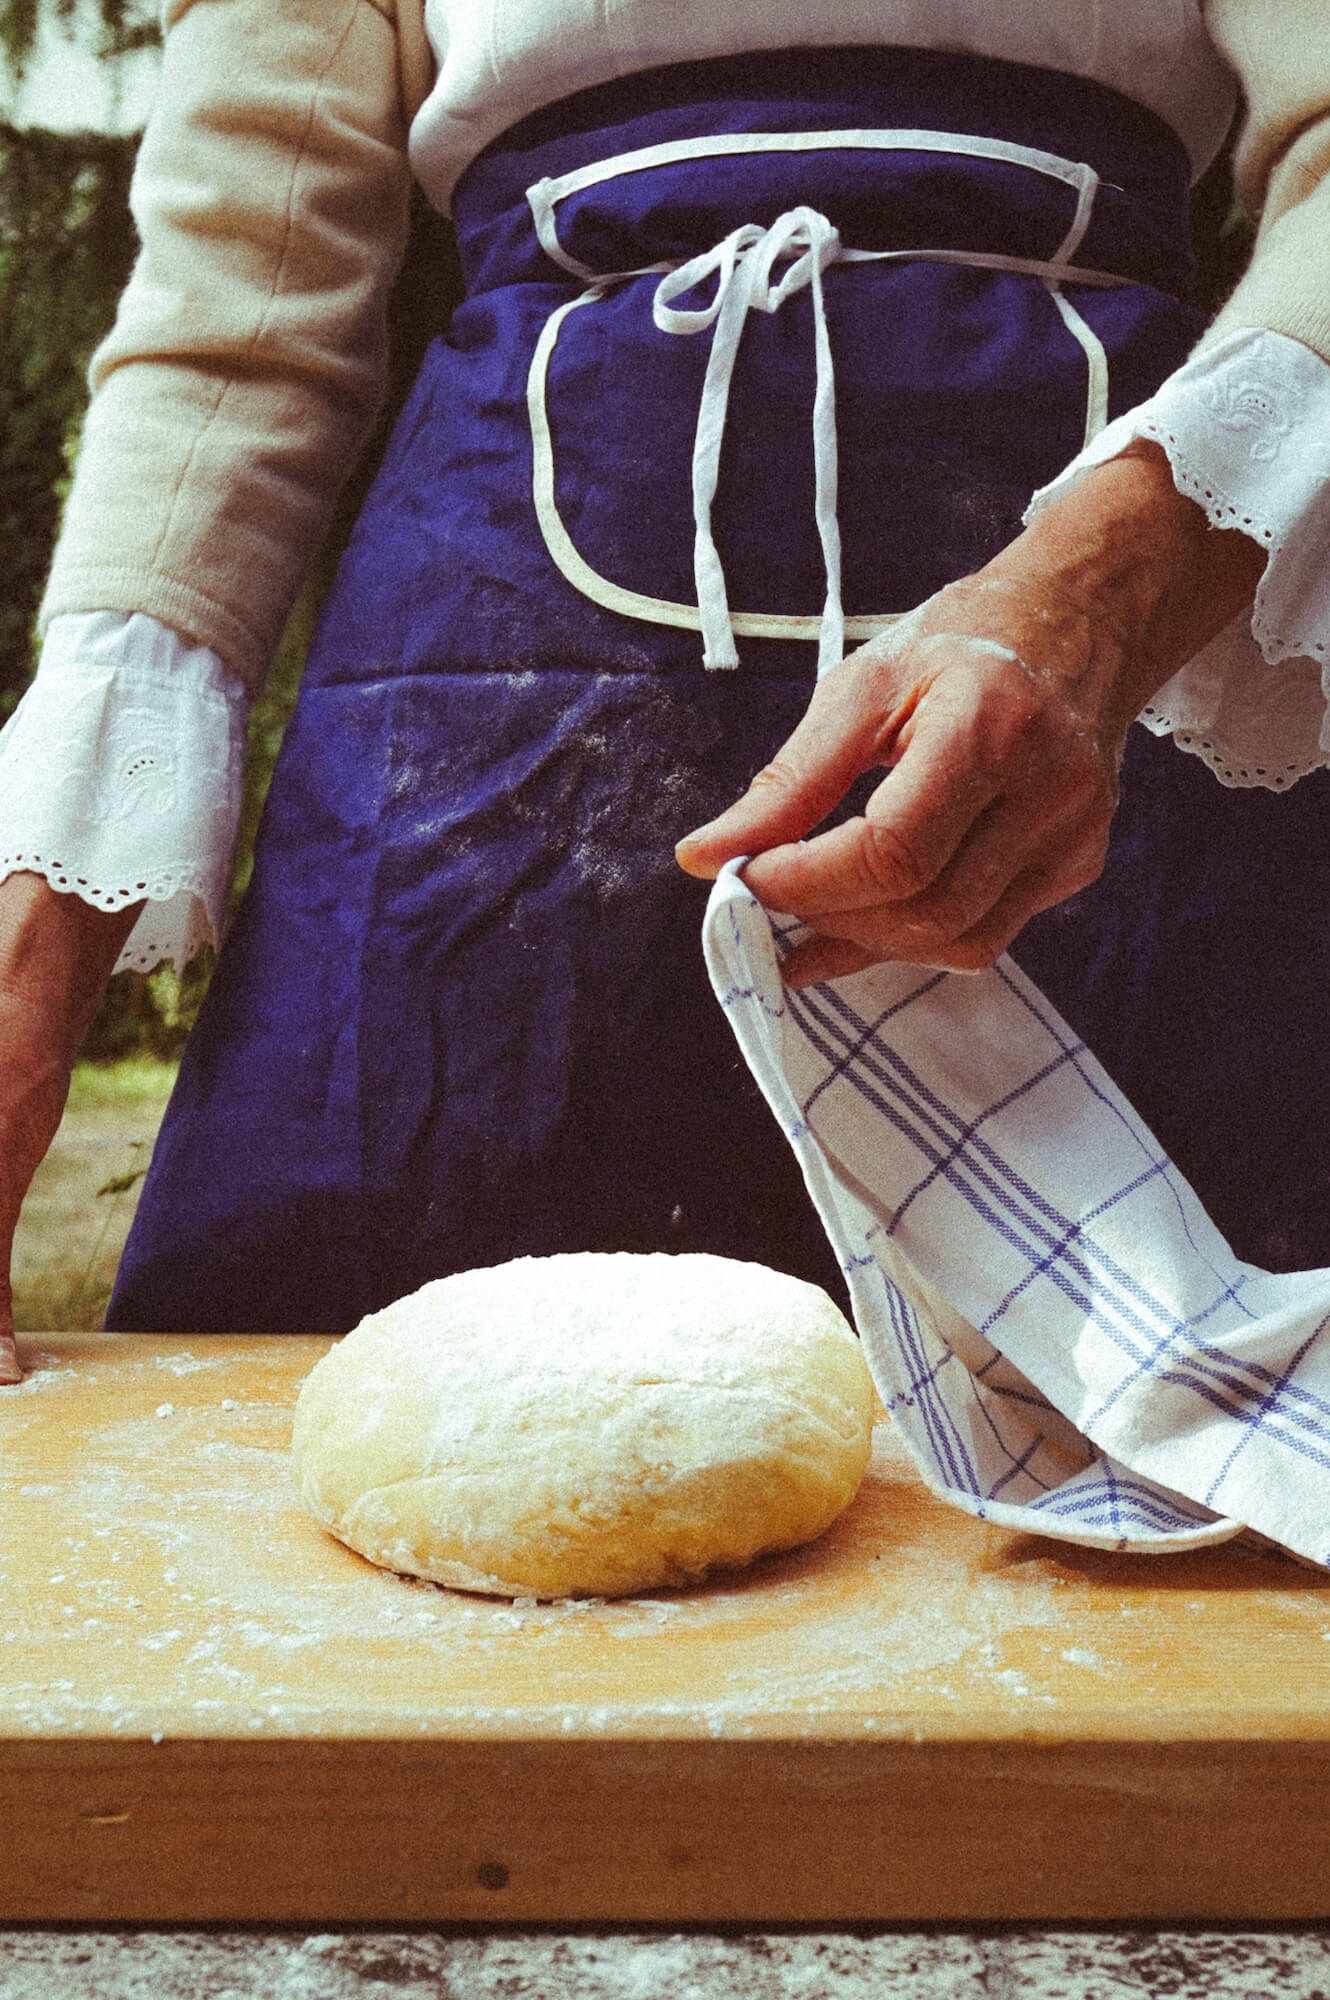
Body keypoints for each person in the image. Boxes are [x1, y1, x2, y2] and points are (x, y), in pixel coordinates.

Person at [0, 3, 1327, 1377]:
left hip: (1129, 621)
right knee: (346, 1420)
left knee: (1201, 1472)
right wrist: (33, 944)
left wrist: (1094, 605)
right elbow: (234, 315)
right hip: (481, 698)